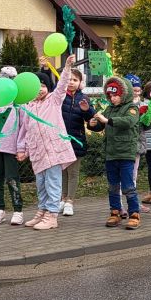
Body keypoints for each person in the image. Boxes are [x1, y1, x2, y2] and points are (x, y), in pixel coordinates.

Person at [17, 55, 77, 230]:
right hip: (38, 153)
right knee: (41, 184)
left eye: (43, 86)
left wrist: (67, 67)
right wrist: (22, 149)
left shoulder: (54, 100)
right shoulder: (28, 106)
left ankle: (52, 215)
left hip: (53, 151)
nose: (40, 89)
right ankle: (42, 211)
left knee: (53, 183)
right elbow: (24, 130)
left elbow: (62, 85)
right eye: (36, 86)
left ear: (48, 88)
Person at [88, 76, 143, 229]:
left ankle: (134, 214)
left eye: (115, 95)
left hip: (126, 154)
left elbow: (128, 122)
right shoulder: (109, 109)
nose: (112, 98)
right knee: (113, 186)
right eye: (110, 95)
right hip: (111, 154)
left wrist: (107, 120)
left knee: (128, 187)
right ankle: (115, 212)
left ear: (124, 94)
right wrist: (93, 124)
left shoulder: (132, 108)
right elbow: (101, 125)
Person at [0, 66, 24, 226]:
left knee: (12, 179)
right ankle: (0, 209)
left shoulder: (19, 106)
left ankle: (18, 210)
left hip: (11, 148)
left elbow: (23, 129)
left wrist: (21, 148)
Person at [60, 67, 96, 216]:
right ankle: (63, 199)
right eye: (69, 79)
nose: (71, 82)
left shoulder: (84, 98)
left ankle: (70, 201)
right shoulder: (59, 96)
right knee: (62, 172)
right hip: (60, 140)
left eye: (75, 80)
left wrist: (87, 110)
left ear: (80, 82)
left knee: (73, 172)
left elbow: (92, 119)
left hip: (76, 140)